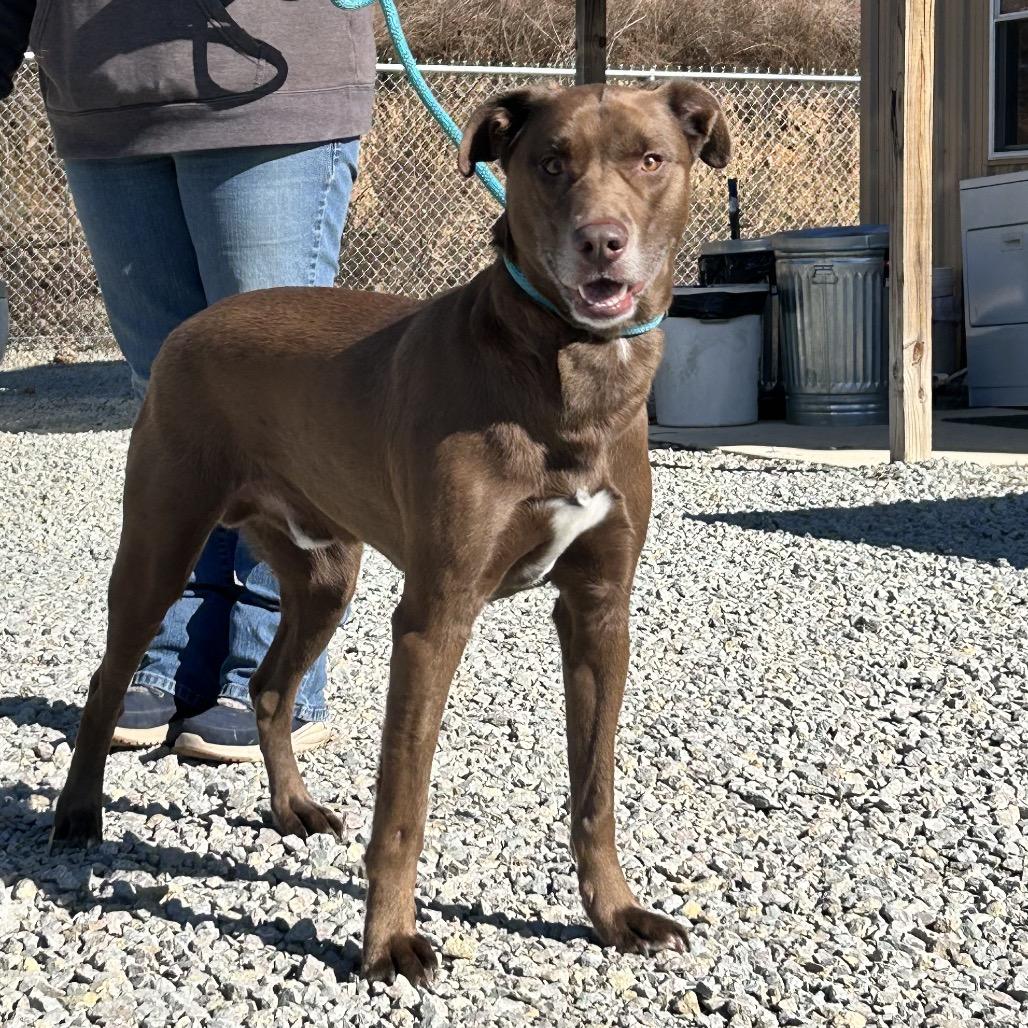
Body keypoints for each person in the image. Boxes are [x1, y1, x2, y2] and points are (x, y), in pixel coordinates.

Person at [0, 0, 375, 761]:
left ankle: (274, 671)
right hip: (104, 100)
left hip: (269, 92)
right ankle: (169, 650)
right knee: (168, 401)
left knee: (279, 409)